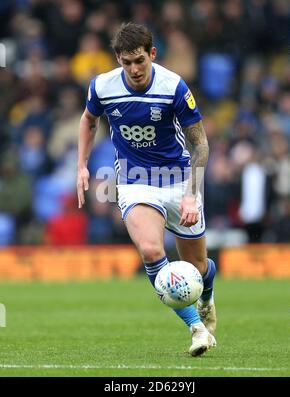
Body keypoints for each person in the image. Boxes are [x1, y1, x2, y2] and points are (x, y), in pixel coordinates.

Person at [77, 22, 217, 356]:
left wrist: (191, 194)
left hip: (180, 179)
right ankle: (196, 329)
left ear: (152, 54)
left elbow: (201, 146)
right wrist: (81, 164)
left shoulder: (174, 87)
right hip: (134, 179)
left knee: (197, 268)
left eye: (139, 60)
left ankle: (207, 296)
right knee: (153, 252)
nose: (134, 69)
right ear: (118, 60)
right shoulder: (102, 86)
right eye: (126, 62)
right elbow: (88, 119)